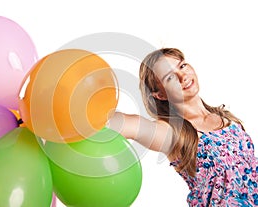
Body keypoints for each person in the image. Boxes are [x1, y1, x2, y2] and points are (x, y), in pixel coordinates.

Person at [107, 48, 258, 206]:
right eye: (170, 77)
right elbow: (131, 125)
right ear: (159, 94)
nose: (182, 76)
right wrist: (93, 114)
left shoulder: (225, 118)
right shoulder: (173, 133)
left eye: (182, 65)